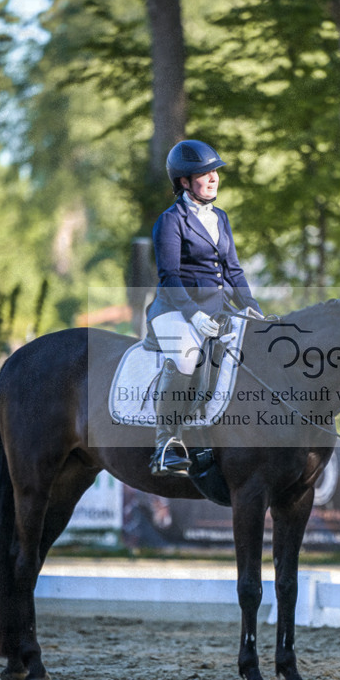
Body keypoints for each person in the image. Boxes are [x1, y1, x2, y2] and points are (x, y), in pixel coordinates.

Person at [146, 139, 263, 476]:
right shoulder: (171, 221)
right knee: (187, 356)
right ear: (184, 181)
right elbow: (169, 276)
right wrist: (193, 315)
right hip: (173, 309)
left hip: (217, 308)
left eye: (215, 172)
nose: (214, 178)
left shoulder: (220, 217)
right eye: (204, 174)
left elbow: (233, 271)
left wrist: (253, 309)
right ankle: (166, 444)